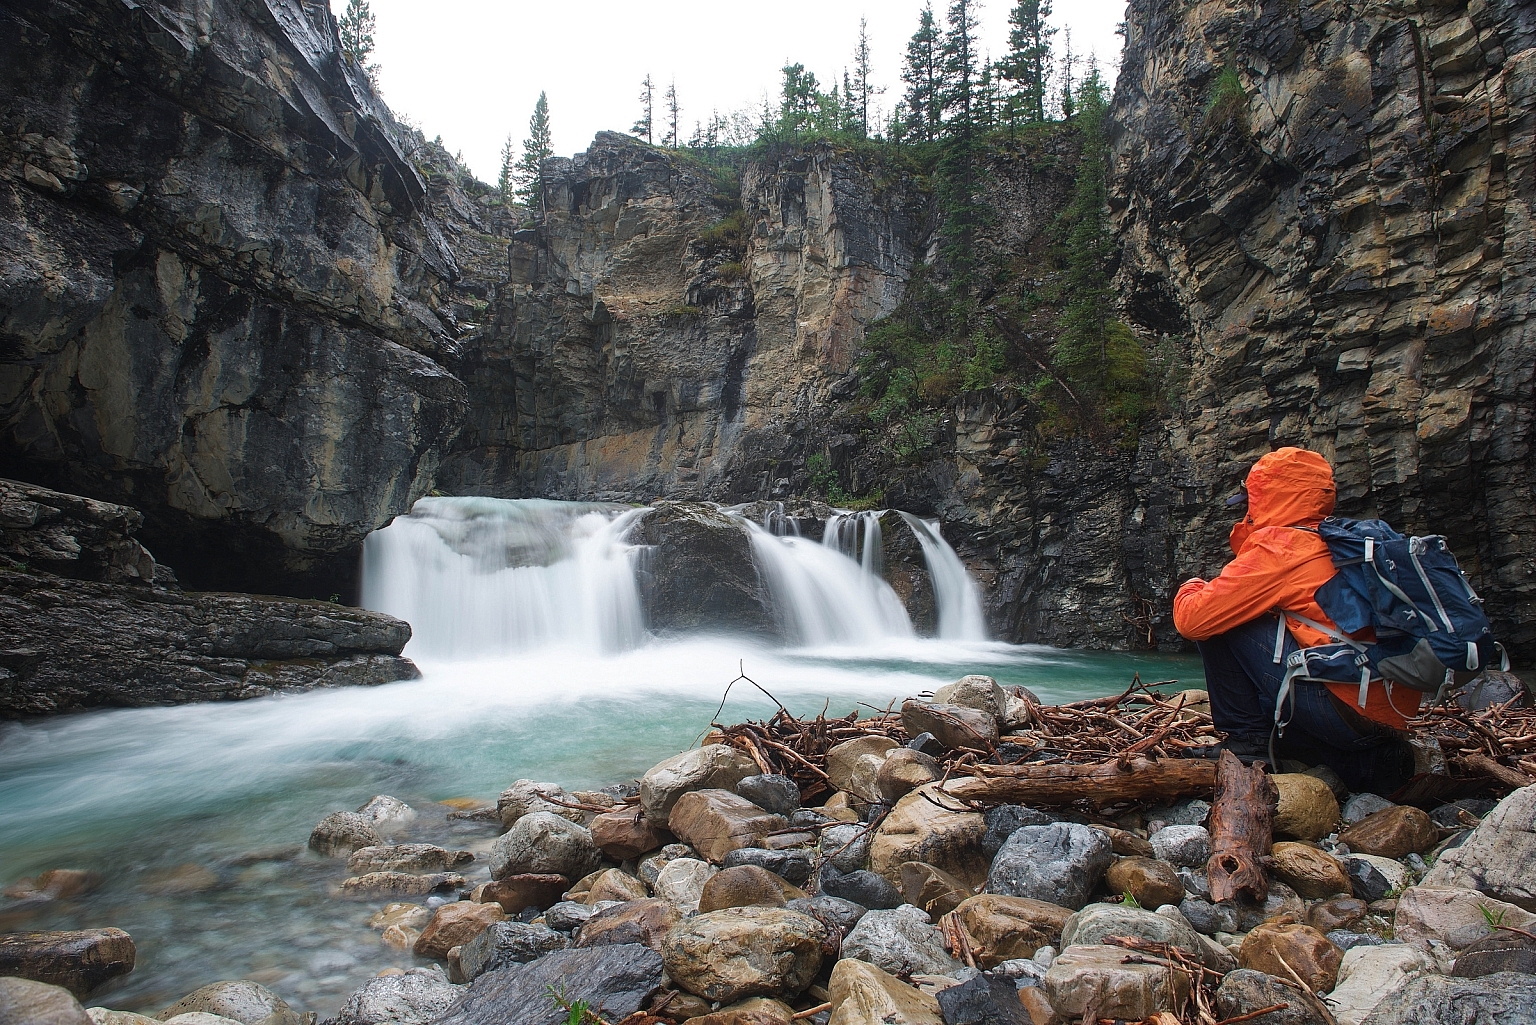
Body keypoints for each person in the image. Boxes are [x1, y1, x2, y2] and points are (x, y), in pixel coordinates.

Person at [1173, 447, 1416, 795]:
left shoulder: (1281, 548)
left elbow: (1192, 620)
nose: (1246, 509)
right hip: (1388, 714)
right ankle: (1353, 760)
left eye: (1250, 500)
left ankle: (1248, 742)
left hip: (1346, 712)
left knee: (1219, 621)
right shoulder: (1342, 541)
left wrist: (1192, 586)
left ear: (1267, 497)